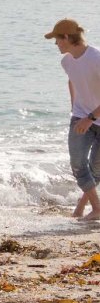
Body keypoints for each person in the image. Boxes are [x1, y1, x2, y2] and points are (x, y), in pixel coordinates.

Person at [45, 19, 100, 221]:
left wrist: (91, 117)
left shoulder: (96, 58)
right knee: (78, 165)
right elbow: (72, 79)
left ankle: (85, 208)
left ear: (67, 37)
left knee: (96, 169)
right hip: (81, 116)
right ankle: (96, 209)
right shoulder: (66, 61)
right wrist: (74, 106)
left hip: (94, 117)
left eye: (57, 39)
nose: (56, 44)